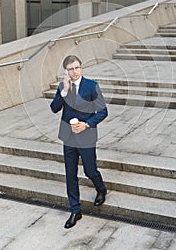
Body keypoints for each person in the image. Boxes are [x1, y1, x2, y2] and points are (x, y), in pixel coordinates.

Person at [50, 55, 108, 229]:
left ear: (81, 68)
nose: (74, 72)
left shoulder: (91, 86)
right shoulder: (63, 87)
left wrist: (87, 124)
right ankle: (75, 210)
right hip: (68, 137)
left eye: (77, 68)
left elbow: (103, 111)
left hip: (86, 136)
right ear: (66, 71)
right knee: (70, 174)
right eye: (71, 69)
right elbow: (54, 108)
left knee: (90, 170)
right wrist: (64, 91)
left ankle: (101, 188)